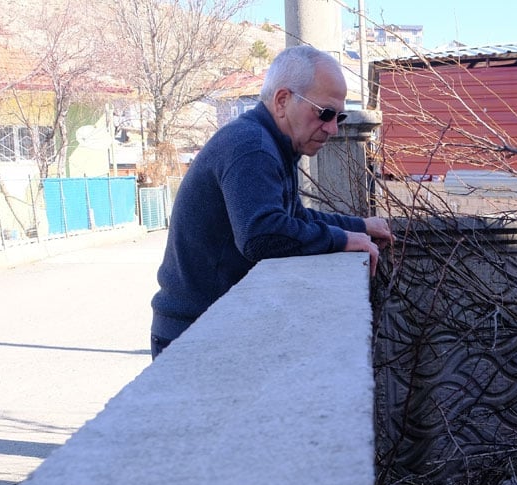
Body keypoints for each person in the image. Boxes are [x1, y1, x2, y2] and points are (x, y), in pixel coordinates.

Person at [149, 44, 392, 358]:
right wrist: (342, 240)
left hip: (210, 325)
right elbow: (261, 235)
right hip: (196, 334)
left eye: (339, 116)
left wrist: (360, 226)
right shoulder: (253, 147)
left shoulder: (271, 143)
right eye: (325, 113)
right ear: (282, 101)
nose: (333, 128)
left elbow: (294, 218)